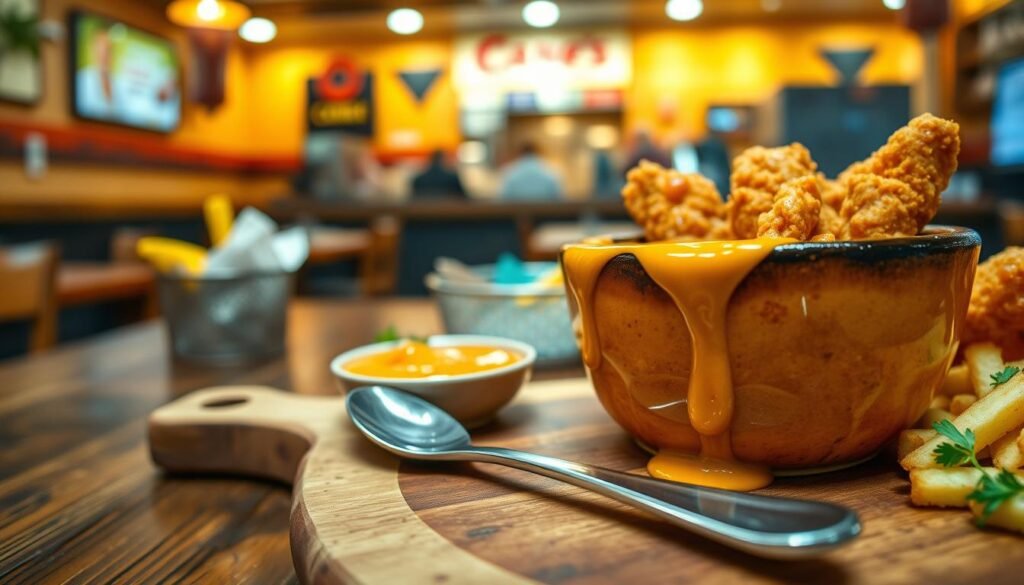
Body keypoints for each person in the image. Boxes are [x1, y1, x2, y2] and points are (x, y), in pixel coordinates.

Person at [499, 143, 563, 201]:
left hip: (518, 210)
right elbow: (560, 201)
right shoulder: (550, 173)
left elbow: (503, 201)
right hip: (545, 210)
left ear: (519, 154)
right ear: (538, 153)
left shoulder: (510, 173)